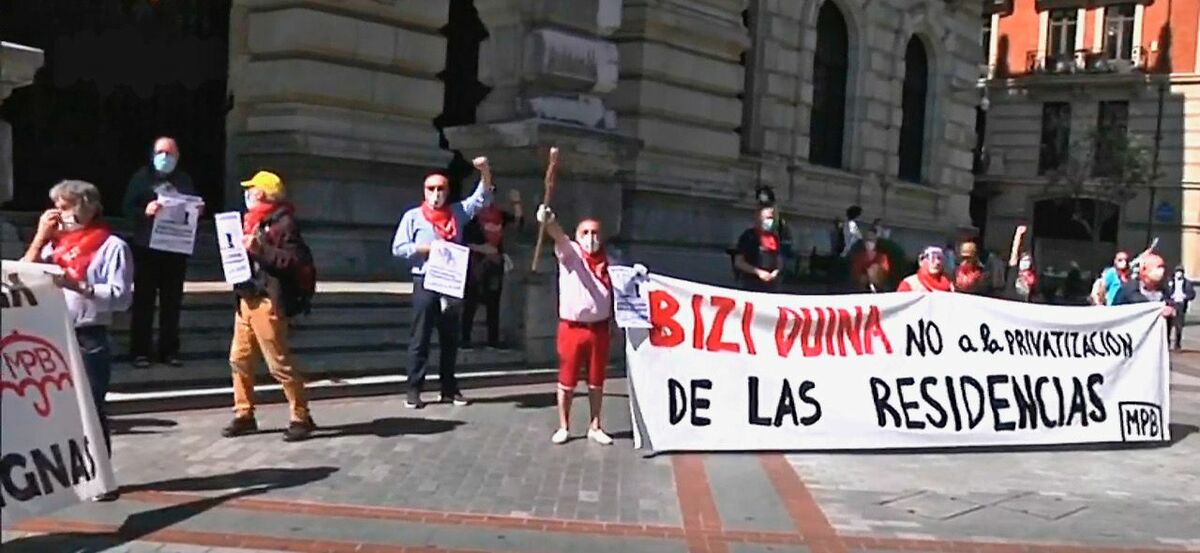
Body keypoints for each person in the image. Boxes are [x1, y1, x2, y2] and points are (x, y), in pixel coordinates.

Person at [22, 180, 133, 501]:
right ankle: (66, 474)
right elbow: (22, 275)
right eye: (57, 205)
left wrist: (79, 286)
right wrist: (41, 236)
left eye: (68, 206)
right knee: (56, 410)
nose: (61, 212)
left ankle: (101, 477)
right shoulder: (53, 246)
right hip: (50, 333)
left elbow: (121, 297)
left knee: (91, 409)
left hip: (88, 335)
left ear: (90, 207)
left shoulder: (111, 246)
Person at [534, 199, 639, 446]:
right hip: (572, 329)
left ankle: (595, 425)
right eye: (585, 233)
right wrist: (549, 221)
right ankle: (564, 425)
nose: (590, 237)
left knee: (596, 380)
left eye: (595, 233)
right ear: (577, 235)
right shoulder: (571, 253)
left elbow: (621, 289)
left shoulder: (611, 260)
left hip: (600, 329)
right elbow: (558, 236)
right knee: (567, 380)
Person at [392, 158, 495, 409]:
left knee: (450, 338)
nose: (436, 194)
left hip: (450, 282)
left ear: (447, 192)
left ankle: (449, 389)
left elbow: (481, 197)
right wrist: (424, 248)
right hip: (425, 279)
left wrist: (484, 171)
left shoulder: (457, 213)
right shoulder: (413, 217)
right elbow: (398, 248)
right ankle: (414, 390)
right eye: (431, 189)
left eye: (441, 189)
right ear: (424, 192)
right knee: (421, 337)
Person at [221, 171, 315, 442]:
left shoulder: (284, 224)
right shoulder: (249, 221)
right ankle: (244, 413)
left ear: (262, 193)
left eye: (251, 190)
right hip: (246, 298)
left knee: (278, 363)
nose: (247, 194)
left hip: (266, 300)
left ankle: (301, 415)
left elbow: (292, 261)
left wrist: (260, 249)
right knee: (239, 359)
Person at [121, 137, 199, 368]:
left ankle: (169, 351)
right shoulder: (141, 178)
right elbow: (127, 208)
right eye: (161, 152)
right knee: (144, 301)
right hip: (147, 248)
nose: (165, 158)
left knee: (171, 303)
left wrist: (197, 208)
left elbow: (190, 206)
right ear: (153, 154)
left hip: (175, 250)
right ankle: (140, 351)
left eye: (170, 153)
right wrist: (145, 210)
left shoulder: (184, 180)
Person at [461, 188, 523, 350]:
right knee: (471, 302)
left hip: (495, 265)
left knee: (493, 303)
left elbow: (518, 222)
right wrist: (482, 248)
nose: (489, 198)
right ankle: (464, 338)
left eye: (492, 194)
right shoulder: (471, 216)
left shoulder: (499, 215)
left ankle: (492, 340)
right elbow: (463, 241)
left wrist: (516, 203)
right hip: (476, 265)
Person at [1113, 254, 1178, 319]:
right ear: (1144, 269)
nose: (1162, 271)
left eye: (1163, 267)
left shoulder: (1165, 292)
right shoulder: (1127, 291)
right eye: (1159, 267)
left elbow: (1175, 311)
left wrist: (1172, 311)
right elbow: (1115, 313)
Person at [734, 205, 782, 292]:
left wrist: (776, 272)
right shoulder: (748, 236)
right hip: (752, 285)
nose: (770, 221)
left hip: (772, 286)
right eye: (767, 218)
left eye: (772, 218)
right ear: (758, 217)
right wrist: (758, 272)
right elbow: (739, 262)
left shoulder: (774, 237)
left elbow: (778, 259)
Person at [1002, 225, 1038, 302]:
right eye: (1024, 260)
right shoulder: (1014, 271)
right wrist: (1018, 235)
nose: (1026, 263)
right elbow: (1014, 253)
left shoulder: (1030, 276)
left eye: (1028, 260)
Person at [1167, 266, 1195, 350]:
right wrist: (1169, 299)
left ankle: (1177, 344)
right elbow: (1165, 292)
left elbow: (1192, 294)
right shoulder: (1170, 281)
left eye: (1181, 272)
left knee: (1179, 326)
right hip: (1171, 304)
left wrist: (1185, 296)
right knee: (1168, 325)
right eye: (1177, 272)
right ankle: (1167, 343)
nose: (1179, 274)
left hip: (1181, 305)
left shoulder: (1187, 283)